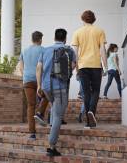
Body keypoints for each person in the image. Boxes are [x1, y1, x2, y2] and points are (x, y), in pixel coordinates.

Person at [36, 28, 76, 157]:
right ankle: (51, 146)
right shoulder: (69, 50)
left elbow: (39, 68)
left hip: (46, 87)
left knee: (54, 108)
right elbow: (73, 66)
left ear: (54, 37)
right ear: (65, 38)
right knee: (59, 114)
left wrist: (39, 85)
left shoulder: (45, 50)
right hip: (60, 86)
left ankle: (53, 127)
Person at [72, 10, 108, 129]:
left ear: (82, 19)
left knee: (86, 92)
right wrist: (106, 66)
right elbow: (102, 50)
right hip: (96, 65)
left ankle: (88, 121)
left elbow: (75, 54)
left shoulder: (77, 32)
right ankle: (92, 111)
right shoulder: (100, 31)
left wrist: (77, 68)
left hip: (83, 66)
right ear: (93, 19)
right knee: (96, 91)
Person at [19, 31, 48, 140]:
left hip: (27, 80)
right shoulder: (43, 50)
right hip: (40, 80)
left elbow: (21, 66)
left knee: (31, 105)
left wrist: (24, 76)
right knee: (48, 96)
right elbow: (45, 66)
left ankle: (32, 133)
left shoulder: (24, 50)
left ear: (32, 39)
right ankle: (40, 112)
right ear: (40, 39)